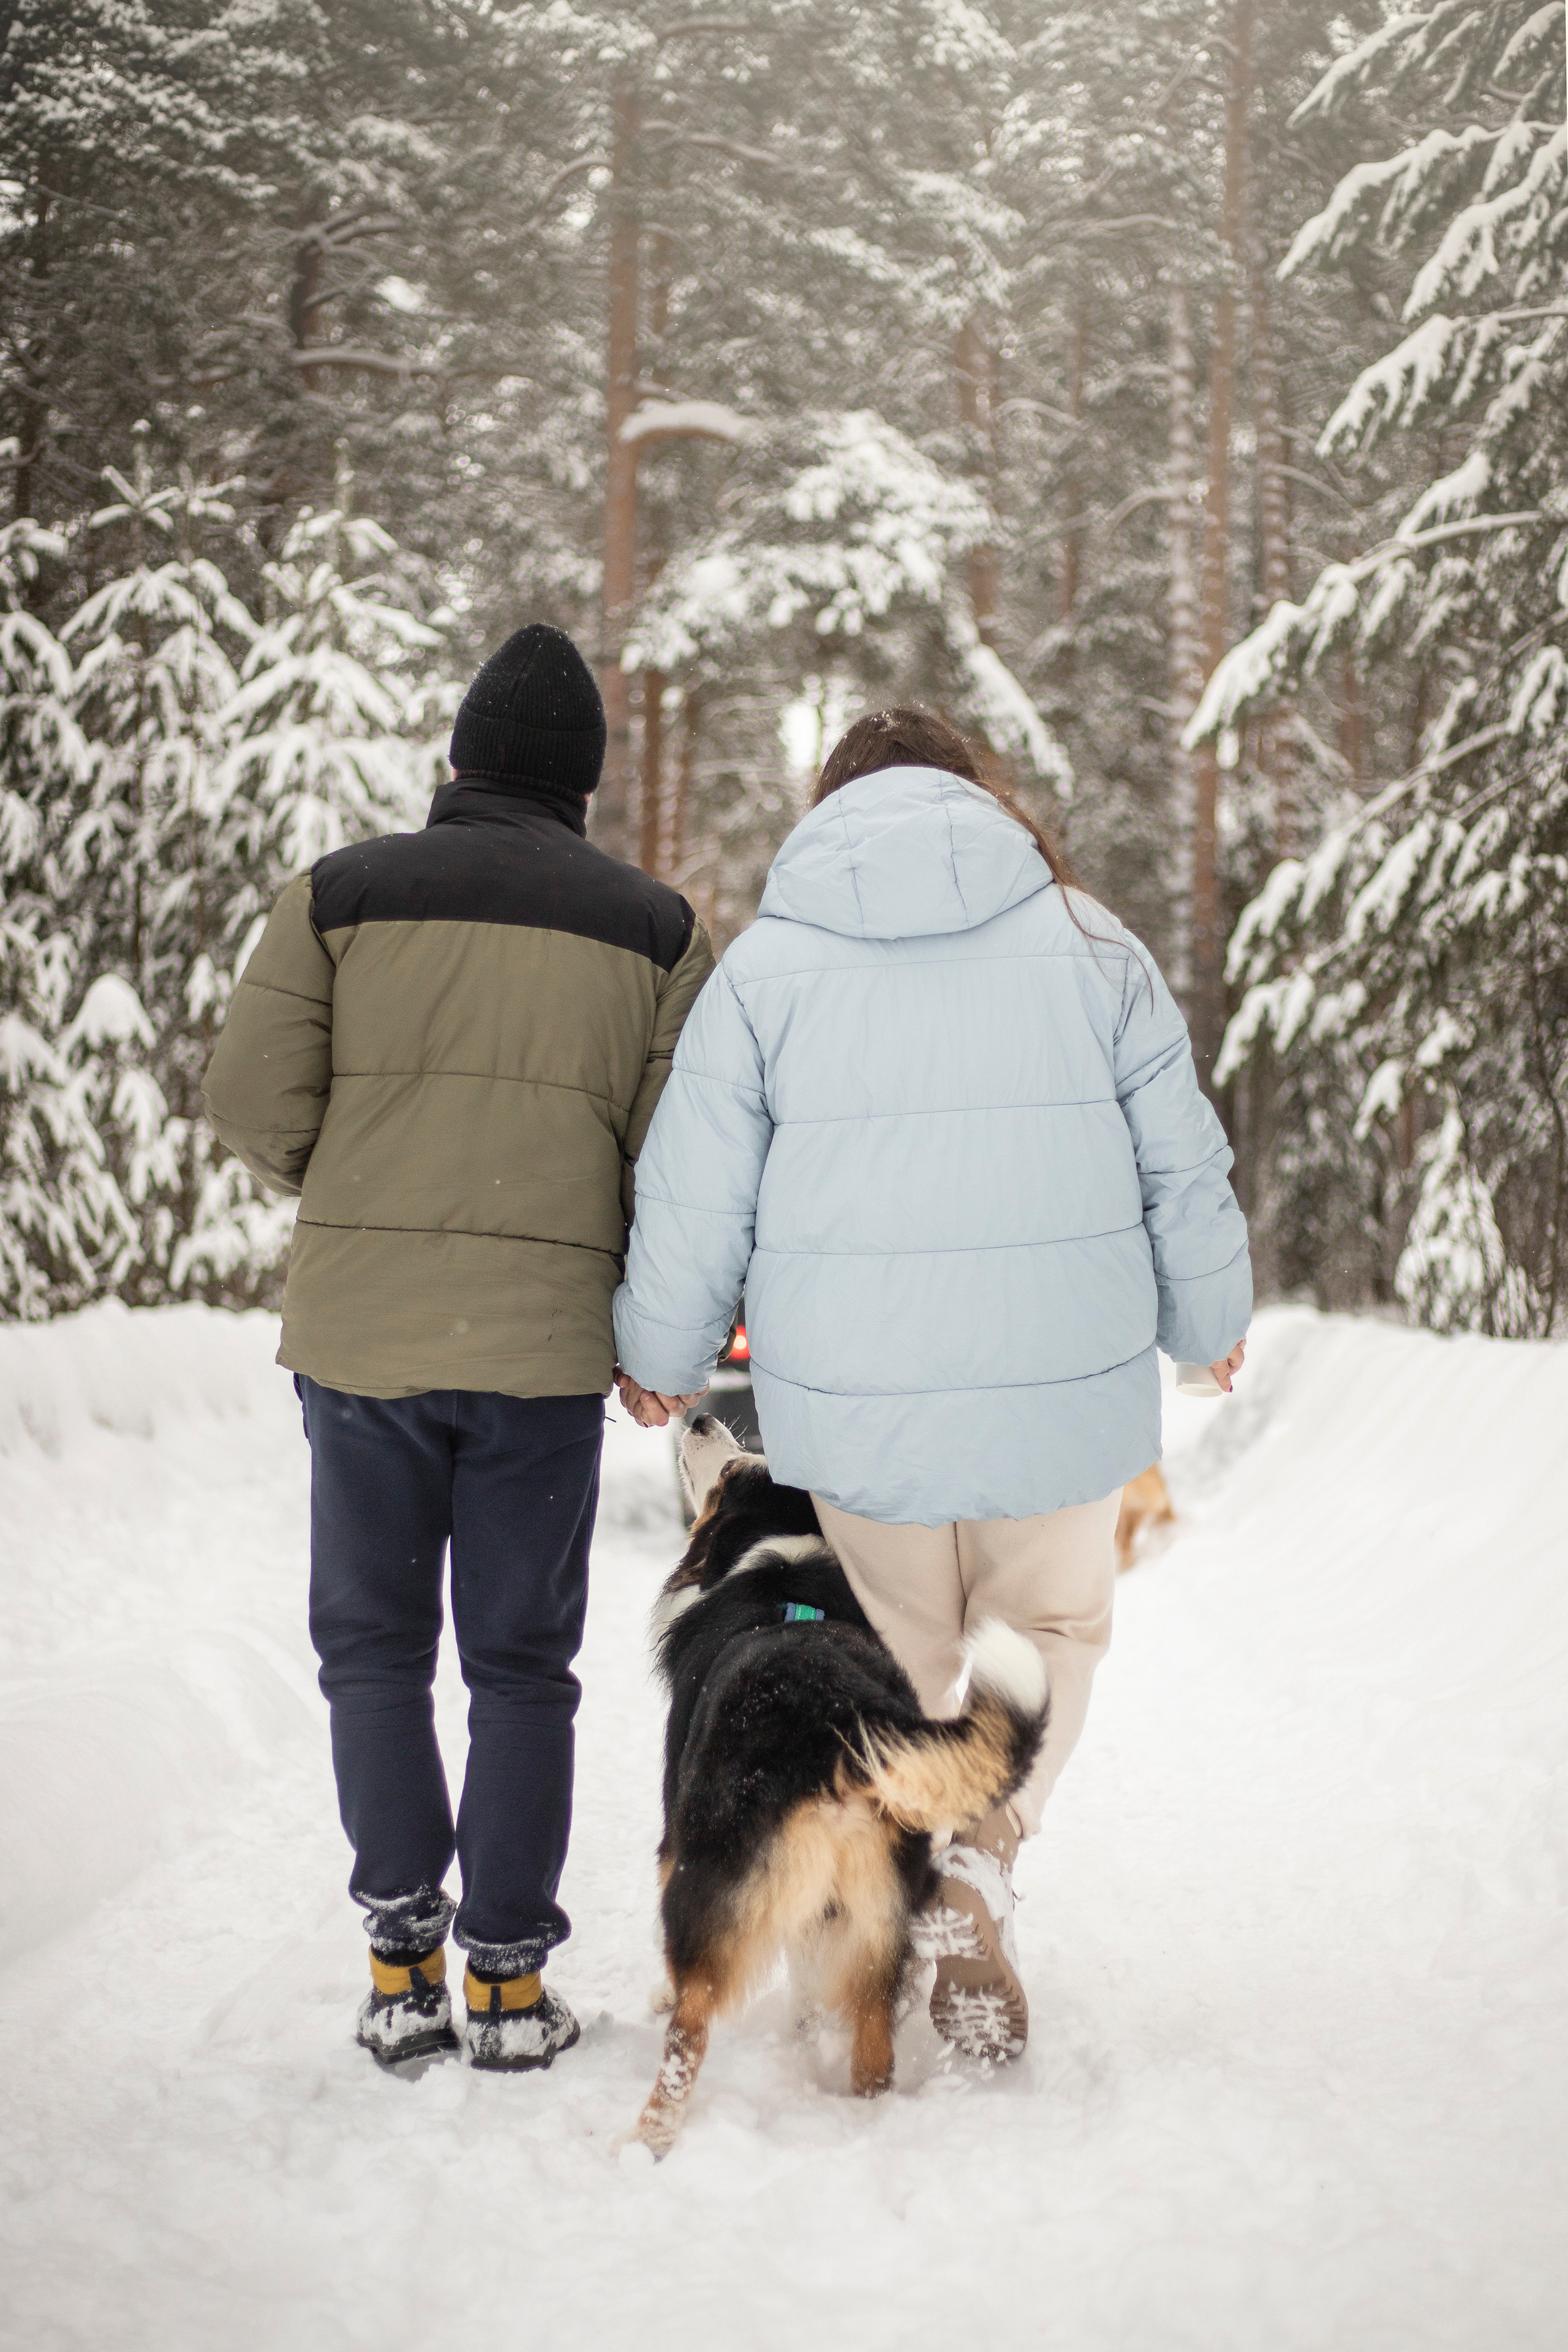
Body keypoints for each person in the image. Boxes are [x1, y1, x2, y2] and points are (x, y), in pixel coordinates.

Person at [613, 707, 1250, 2062]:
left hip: (858, 1407)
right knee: (1050, 1634)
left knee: (887, 1662)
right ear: (982, 801)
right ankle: (985, 1855)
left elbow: (693, 1192)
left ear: (828, 808)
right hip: (1058, 1396)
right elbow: (1178, 1164)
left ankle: (866, 1919)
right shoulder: (1092, 946)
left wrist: (663, 1361)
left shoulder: (767, 970)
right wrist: (1206, 1326)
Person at [203, 625, 712, 2070]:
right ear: (586, 783)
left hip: (361, 1343)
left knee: (370, 1648)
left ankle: (397, 1966)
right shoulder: (657, 930)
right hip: (541, 1356)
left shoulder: (342, 894)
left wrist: (362, 1186)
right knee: (519, 1666)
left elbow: (249, 1103)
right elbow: (677, 1160)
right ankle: (503, 1983)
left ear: (460, 755)